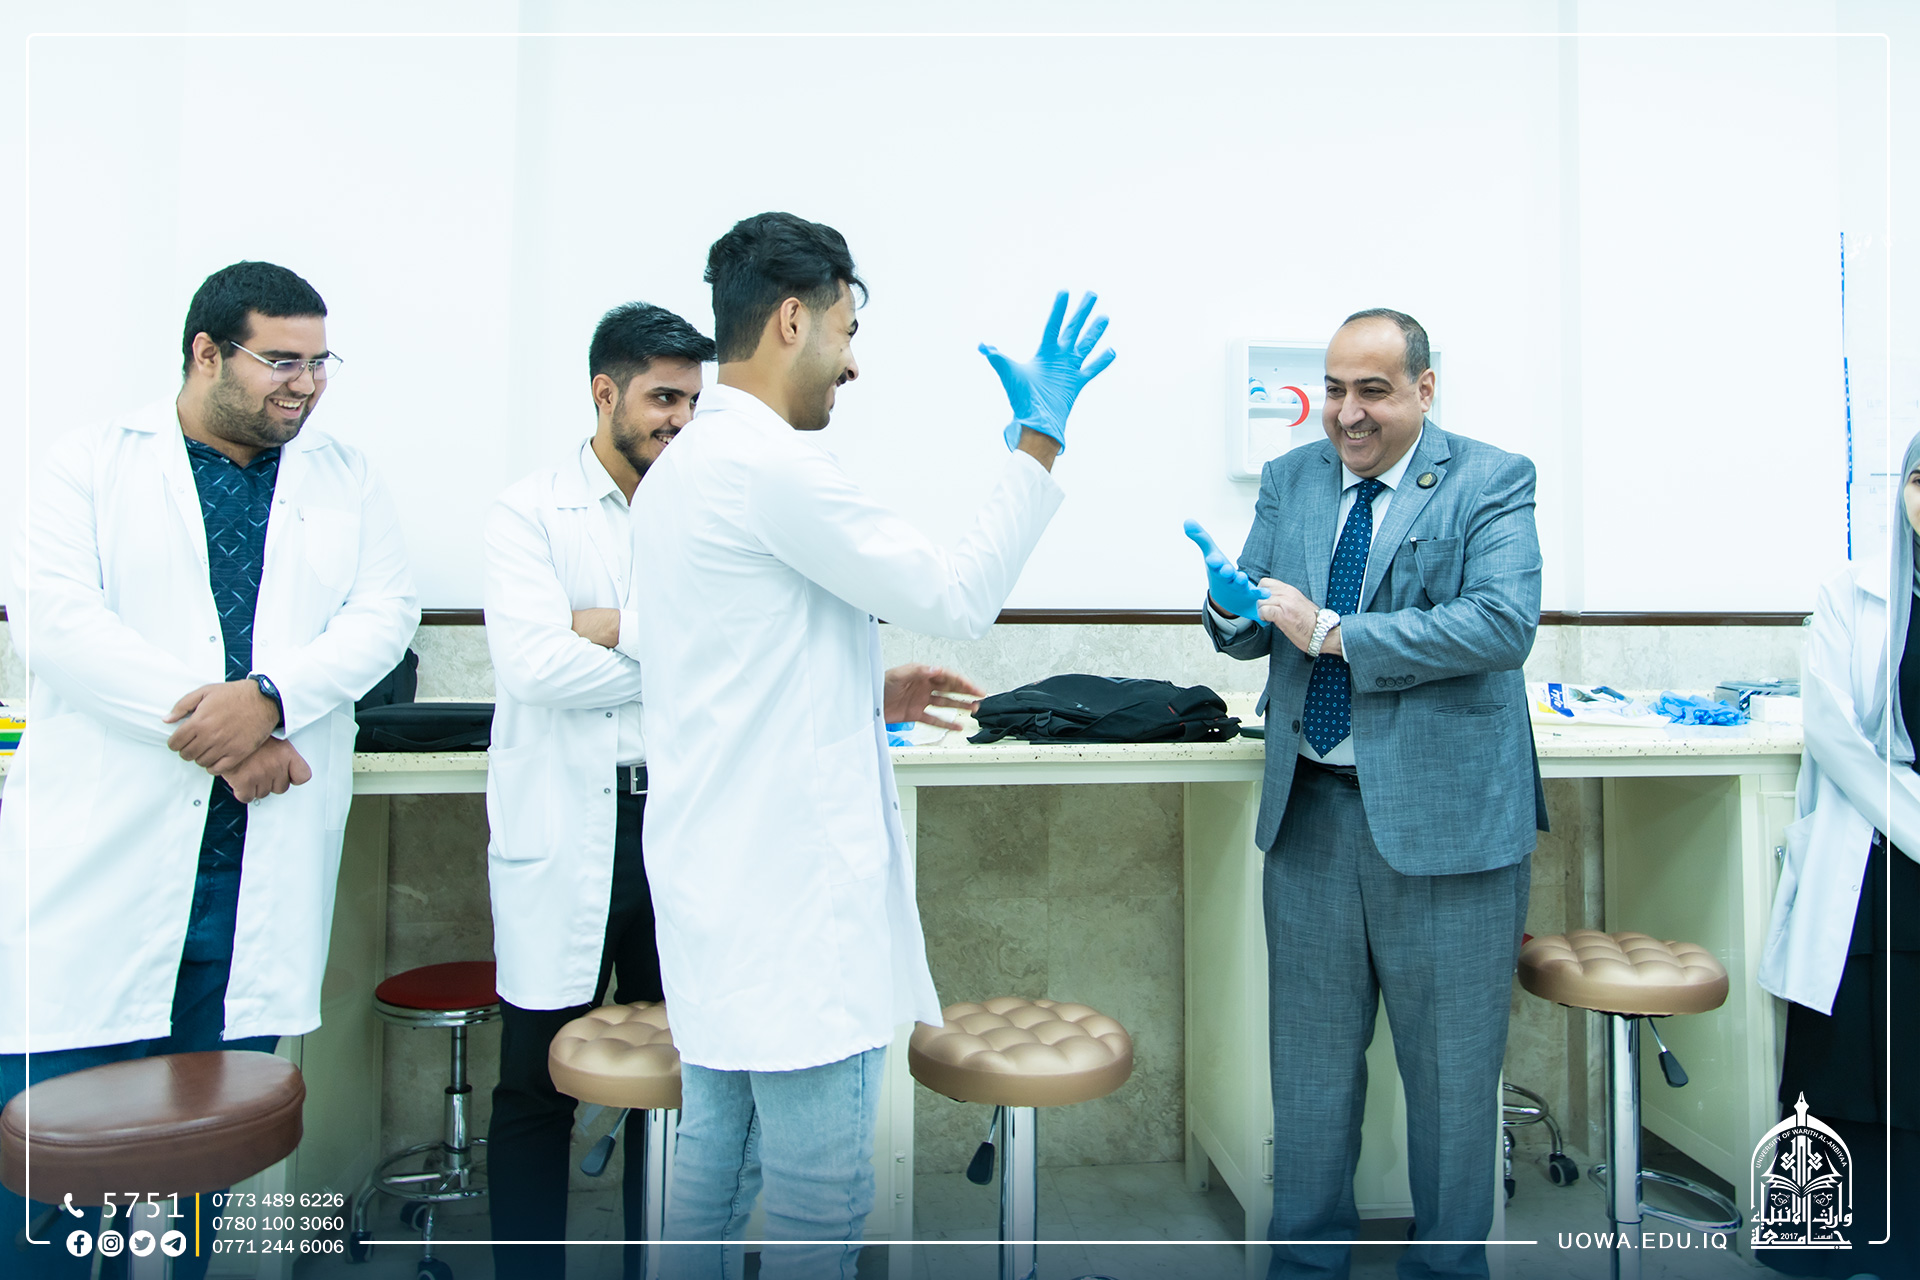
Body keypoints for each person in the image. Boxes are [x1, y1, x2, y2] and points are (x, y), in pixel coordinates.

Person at [631, 211, 1114, 1279]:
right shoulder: (772, 466)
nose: (853, 363)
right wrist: (1038, 440)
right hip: (793, 912)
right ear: (792, 319)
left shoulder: (684, 469)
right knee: (819, 1203)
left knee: (711, 1180)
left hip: (719, 893)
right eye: (847, 331)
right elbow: (957, 594)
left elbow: (724, 668)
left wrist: (864, 684)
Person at [0, 261, 419, 1277]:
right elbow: (59, 624)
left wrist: (270, 697)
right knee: (46, 1186)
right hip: (100, 874)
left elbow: (384, 613)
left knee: (190, 1173)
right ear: (206, 352)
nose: (307, 384)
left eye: (320, 362)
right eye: (282, 361)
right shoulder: (92, 461)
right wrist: (230, 727)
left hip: (248, 882)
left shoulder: (348, 475)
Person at [1188, 308, 1545, 1280]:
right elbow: (1254, 624)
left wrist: (1335, 631)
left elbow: (1502, 623)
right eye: (1336, 389)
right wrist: (1227, 600)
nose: (1348, 412)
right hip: (1311, 816)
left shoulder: (1491, 479)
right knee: (1307, 1073)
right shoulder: (1293, 477)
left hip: (1448, 831)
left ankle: (1447, 1268)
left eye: (1373, 391)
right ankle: (1305, 1264)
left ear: (1425, 389)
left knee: (1452, 1080)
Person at [481, 301, 714, 1279]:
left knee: (682, 1076)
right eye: (663, 398)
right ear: (604, 392)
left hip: (682, 819)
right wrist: (680, 655)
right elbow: (536, 668)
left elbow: (733, 654)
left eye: (693, 401)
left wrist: (611, 625)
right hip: (566, 822)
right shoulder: (529, 511)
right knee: (536, 1082)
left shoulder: (707, 510)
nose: (680, 419)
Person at [1754, 431, 1920, 1279]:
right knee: (1845, 1055)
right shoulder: (1852, 592)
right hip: (1872, 857)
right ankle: (1818, 1249)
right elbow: (1834, 732)